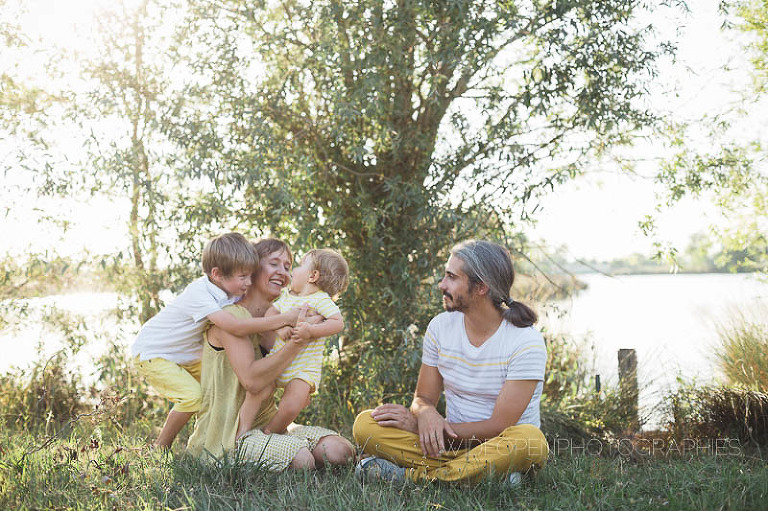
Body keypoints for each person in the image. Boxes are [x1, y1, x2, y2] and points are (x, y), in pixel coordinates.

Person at [352, 239, 549, 484]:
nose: (441, 285)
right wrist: (425, 414)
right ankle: (484, 476)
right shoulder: (440, 327)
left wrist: (421, 428)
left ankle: (414, 478)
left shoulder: (525, 341)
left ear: (481, 287)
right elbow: (423, 398)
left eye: (451, 277)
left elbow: (499, 426)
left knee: (531, 441)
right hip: (450, 445)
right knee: (365, 425)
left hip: (501, 445)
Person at [187, 238, 354, 471]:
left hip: (266, 424)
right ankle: (267, 447)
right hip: (228, 434)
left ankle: (278, 439)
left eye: (287, 266)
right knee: (303, 460)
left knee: (341, 451)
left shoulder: (279, 318)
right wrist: (299, 340)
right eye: (274, 264)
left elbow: (291, 371)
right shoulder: (232, 318)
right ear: (252, 268)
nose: (283, 272)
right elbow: (253, 381)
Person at [132, 232, 301, 448]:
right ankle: (160, 446)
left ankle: (211, 435)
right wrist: (284, 319)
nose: (248, 282)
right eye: (243, 277)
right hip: (153, 352)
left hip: (187, 354)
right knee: (192, 397)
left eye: (251, 276)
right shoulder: (200, 293)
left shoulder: (231, 289)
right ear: (217, 274)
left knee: (217, 389)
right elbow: (236, 326)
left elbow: (257, 306)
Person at [236, 248, 349, 439]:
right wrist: (280, 329)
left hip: (303, 370)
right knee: (258, 391)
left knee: (292, 403)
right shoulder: (288, 297)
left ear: (312, 276)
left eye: (298, 266)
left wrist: (310, 331)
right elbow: (271, 313)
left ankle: (270, 432)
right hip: (278, 362)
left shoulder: (321, 300)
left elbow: (337, 323)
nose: (292, 271)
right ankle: (241, 432)